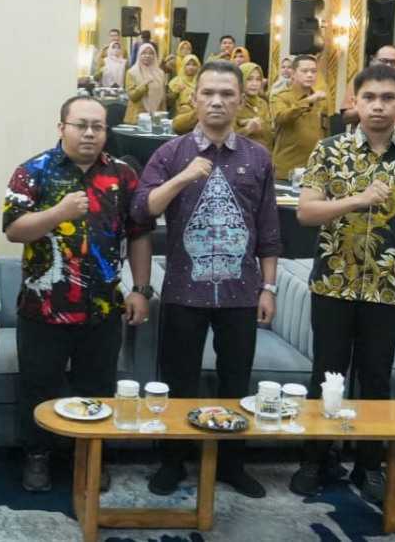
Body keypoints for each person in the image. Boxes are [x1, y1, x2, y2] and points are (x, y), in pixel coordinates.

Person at [289, 64, 395, 505]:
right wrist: (356, 200)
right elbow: (305, 212)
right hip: (332, 285)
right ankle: (316, 459)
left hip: (388, 288)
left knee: (376, 376)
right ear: (354, 102)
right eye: (370, 97)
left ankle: (369, 463)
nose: (378, 106)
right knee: (327, 373)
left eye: (388, 98)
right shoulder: (329, 150)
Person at [133, 60, 281, 499]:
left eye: (227, 94)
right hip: (184, 290)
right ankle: (172, 461)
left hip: (242, 292)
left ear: (241, 101)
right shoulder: (170, 153)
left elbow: (269, 230)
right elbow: (143, 210)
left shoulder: (258, 157)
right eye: (209, 93)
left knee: (236, 382)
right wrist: (183, 177)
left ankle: (232, 464)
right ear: (194, 99)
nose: (217, 101)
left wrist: (269, 287)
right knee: (178, 381)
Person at [3, 95, 153, 493]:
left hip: (102, 309)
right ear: (62, 127)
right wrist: (58, 213)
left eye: (97, 127)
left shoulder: (123, 175)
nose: (89, 133)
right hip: (44, 308)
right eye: (81, 125)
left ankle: (89, 457)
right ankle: (37, 455)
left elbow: (139, 234)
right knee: (39, 386)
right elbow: (13, 229)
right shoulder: (32, 171)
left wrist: (141, 289)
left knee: (97, 389)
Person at [271, 54, 333, 180]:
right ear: (293, 74)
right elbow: (280, 118)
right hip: (288, 169)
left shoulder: (321, 100)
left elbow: (326, 133)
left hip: (315, 169)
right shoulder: (280, 97)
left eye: (314, 71)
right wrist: (308, 101)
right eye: (304, 71)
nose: (310, 75)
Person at [340, 46, 395, 139]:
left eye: (394, 62)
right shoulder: (359, 83)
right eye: (384, 61)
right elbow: (346, 118)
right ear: (373, 61)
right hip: (362, 140)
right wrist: (368, 108)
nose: (388, 65)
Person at [125, 43, 166, 124]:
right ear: (139, 55)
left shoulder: (160, 74)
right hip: (137, 118)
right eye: (144, 53)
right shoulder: (132, 72)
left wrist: (163, 118)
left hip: (156, 118)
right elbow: (132, 97)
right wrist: (144, 85)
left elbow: (163, 98)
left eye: (151, 53)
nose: (147, 56)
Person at [237, 62, 273, 151]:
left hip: (265, 155)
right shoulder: (234, 105)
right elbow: (225, 139)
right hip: (244, 156)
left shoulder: (263, 104)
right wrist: (247, 129)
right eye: (249, 79)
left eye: (258, 79)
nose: (255, 84)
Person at [168, 54, 202, 132]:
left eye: (194, 65)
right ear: (183, 66)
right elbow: (168, 103)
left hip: (199, 118)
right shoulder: (176, 82)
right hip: (181, 117)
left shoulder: (202, 81)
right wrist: (176, 92)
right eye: (188, 64)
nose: (191, 67)